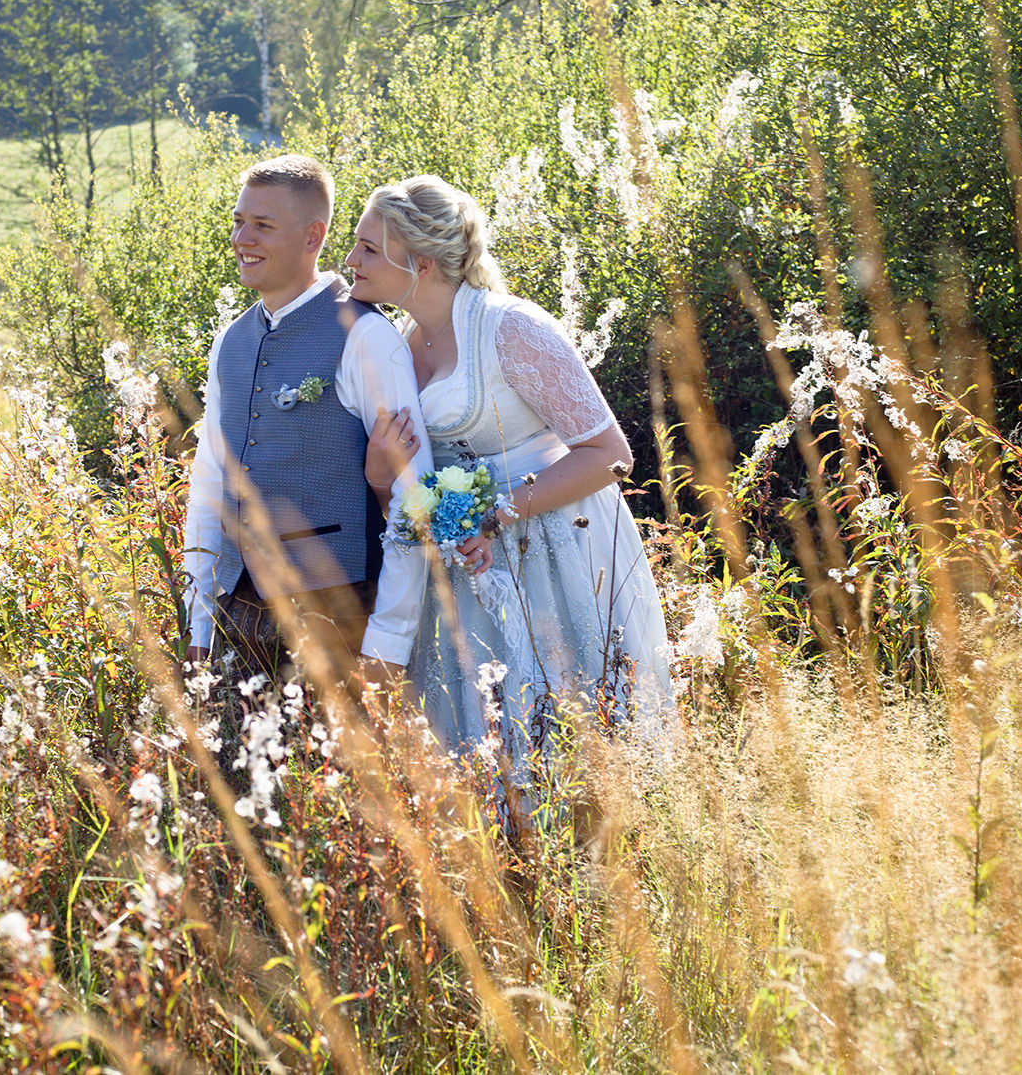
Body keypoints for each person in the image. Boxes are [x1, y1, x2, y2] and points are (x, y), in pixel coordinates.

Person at [348, 174, 674, 763]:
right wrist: (377, 475)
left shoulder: (513, 329)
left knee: (573, 731)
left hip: (553, 552)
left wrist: (496, 515)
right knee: (484, 740)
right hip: (462, 567)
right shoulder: (398, 339)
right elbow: (409, 479)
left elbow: (609, 455)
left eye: (368, 248)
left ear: (420, 262)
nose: (350, 261)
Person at [182, 155, 435, 698]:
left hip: (339, 611)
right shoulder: (229, 341)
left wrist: (388, 641)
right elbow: (208, 485)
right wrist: (199, 618)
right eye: (238, 220)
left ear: (312, 235)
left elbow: (416, 496)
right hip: (237, 607)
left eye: (263, 225)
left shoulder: (368, 336)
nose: (241, 237)